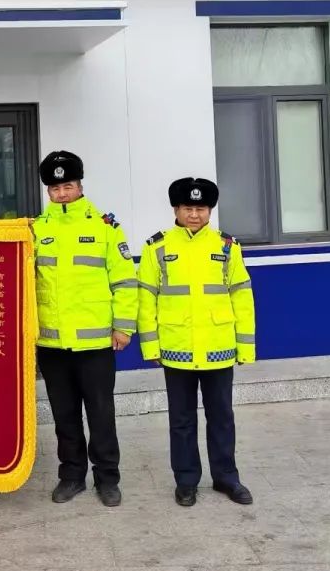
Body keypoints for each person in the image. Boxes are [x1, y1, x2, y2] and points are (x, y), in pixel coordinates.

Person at [137, 177, 256, 508]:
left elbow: (242, 296)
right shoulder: (157, 247)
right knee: (182, 421)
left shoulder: (227, 247)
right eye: (188, 208)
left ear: (210, 211)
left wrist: (245, 347)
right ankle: (186, 481)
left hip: (219, 347)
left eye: (201, 208)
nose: (194, 214)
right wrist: (151, 346)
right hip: (176, 348)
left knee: (222, 417)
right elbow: (146, 299)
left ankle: (226, 478)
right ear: (176, 209)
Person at [32, 150, 138, 507]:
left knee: (101, 414)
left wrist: (123, 327)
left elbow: (125, 281)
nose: (62, 194)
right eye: (55, 189)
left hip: (96, 343)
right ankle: (72, 476)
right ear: (48, 191)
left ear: (80, 186)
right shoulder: (36, 230)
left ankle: (108, 478)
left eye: (68, 186)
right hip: (52, 343)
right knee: (64, 417)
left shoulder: (104, 227)